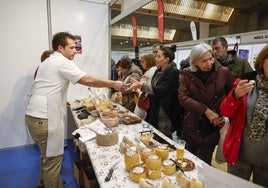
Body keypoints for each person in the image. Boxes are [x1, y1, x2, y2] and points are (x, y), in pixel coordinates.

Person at [25, 32, 123, 188]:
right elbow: (87, 79)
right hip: (46, 117)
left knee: (47, 156)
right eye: (71, 48)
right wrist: (113, 84)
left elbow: (48, 87)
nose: (75, 51)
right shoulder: (61, 61)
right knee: (52, 160)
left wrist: (62, 100)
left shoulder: (49, 61)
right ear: (60, 48)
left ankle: (45, 183)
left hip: (35, 116)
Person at [219, 45, 268, 187]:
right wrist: (235, 96)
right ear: (262, 61)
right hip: (240, 153)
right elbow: (225, 111)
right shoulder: (246, 82)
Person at [178, 43, 234, 165]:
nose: (209, 63)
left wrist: (226, 118)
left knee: (204, 164)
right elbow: (182, 98)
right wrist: (206, 110)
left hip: (213, 125)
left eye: (211, 58)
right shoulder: (186, 74)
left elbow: (232, 98)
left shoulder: (223, 72)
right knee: (188, 161)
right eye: (204, 61)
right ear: (195, 61)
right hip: (192, 123)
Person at [127, 45, 181, 138]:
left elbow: (161, 90)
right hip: (154, 109)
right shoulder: (158, 70)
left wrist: (141, 85)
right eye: (156, 56)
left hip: (165, 111)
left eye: (159, 56)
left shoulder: (173, 72)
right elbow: (154, 87)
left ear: (166, 59)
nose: (156, 58)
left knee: (164, 139)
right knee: (154, 135)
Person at [133, 54, 157, 119]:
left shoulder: (152, 71)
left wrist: (138, 90)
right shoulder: (150, 71)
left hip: (146, 100)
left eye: (143, 62)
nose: (141, 64)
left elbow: (149, 89)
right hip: (145, 99)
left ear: (149, 61)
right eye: (141, 62)